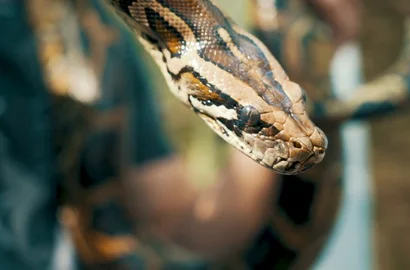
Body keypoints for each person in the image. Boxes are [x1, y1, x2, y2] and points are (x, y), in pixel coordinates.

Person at [0, 0, 360, 269]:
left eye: (300, 97)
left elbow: (180, 222)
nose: (305, 141)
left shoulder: (91, 35)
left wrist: (309, 53)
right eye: (253, 121)